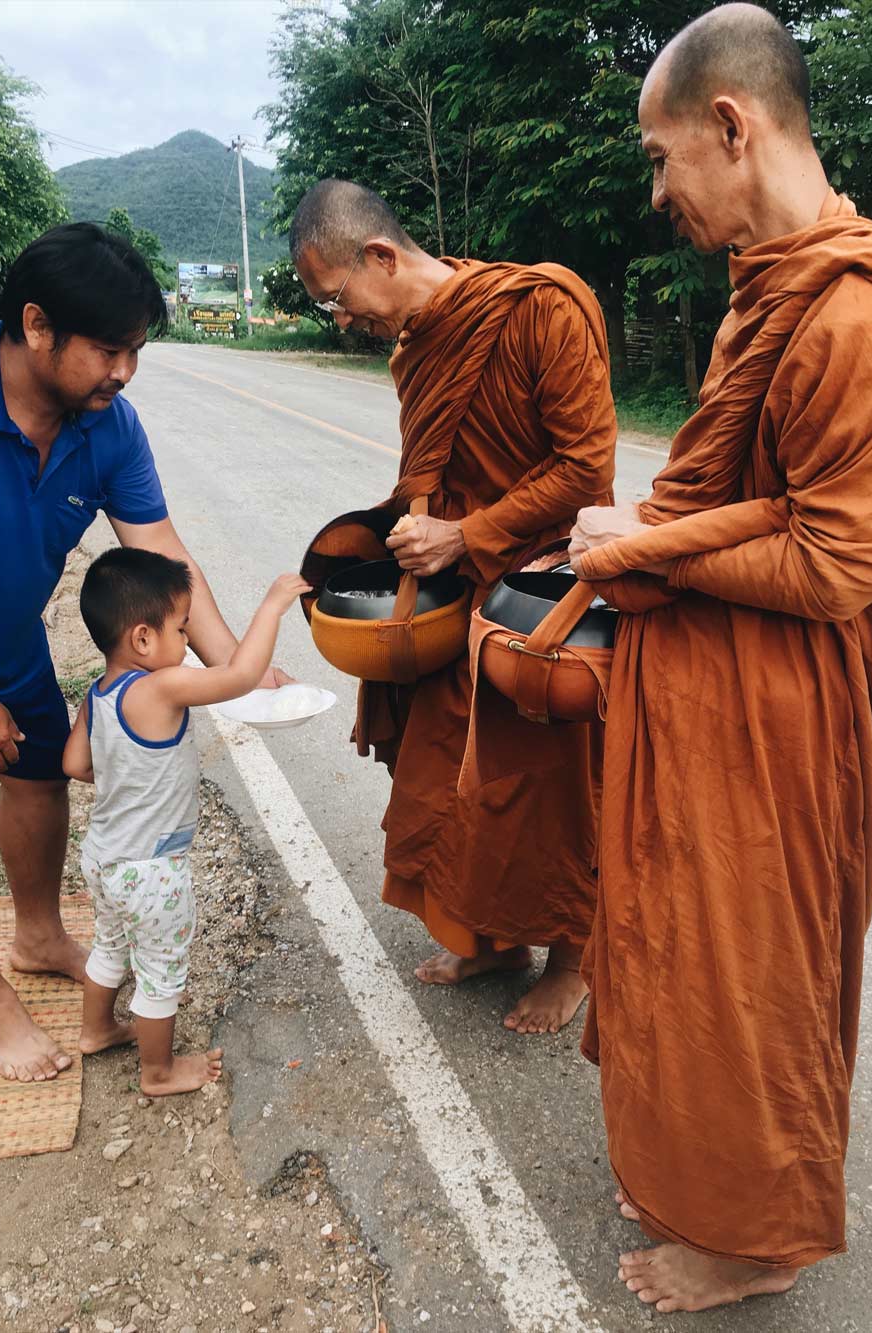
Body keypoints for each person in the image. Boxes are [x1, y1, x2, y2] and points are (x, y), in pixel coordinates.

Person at [565, 3, 872, 1314]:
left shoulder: (856, 314)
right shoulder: (774, 284)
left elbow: (837, 565)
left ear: (732, 123)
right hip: (707, 687)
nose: (658, 192)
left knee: (746, 972)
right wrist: (650, 532)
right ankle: (698, 1172)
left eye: (664, 160)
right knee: (681, 952)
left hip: (783, 716)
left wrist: (639, 550)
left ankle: (759, 1236)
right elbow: (749, 500)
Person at [0, 223, 288, 1085]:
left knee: (45, 778)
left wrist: (236, 668)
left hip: (10, 641)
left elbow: (165, 555)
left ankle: (39, 932)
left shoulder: (106, 426)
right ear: (38, 325)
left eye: (136, 351)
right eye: (110, 349)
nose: (124, 371)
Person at [292, 180, 617, 1033]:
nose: (340, 319)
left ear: (381, 256)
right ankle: (493, 938)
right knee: (446, 775)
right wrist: (373, 540)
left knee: (548, 786)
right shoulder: (414, 349)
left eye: (337, 297)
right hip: (455, 591)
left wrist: (466, 535)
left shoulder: (541, 309)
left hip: (543, 594)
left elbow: (585, 468)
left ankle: (572, 961)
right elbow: (432, 473)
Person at [63, 548, 309, 1096]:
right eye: (181, 628)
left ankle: (96, 1029)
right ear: (144, 639)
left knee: (110, 946)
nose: (185, 641)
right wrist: (271, 605)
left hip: (103, 854)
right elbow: (241, 675)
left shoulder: (98, 695)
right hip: (151, 870)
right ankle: (159, 1071)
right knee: (161, 970)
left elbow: (75, 764)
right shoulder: (163, 686)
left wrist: (130, 778)